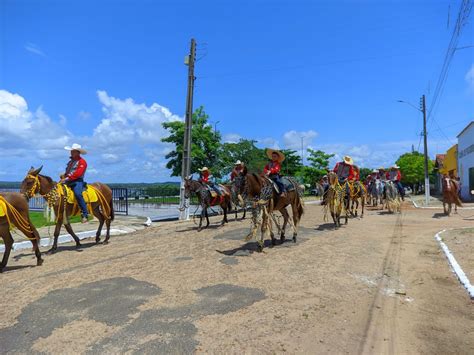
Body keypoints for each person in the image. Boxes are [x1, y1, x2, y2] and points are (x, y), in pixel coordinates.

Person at [60, 143, 89, 223]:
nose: (71, 152)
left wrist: (67, 178)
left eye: (73, 151)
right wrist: (64, 176)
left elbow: (78, 173)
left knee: (78, 194)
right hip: (67, 180)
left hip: (77, 181)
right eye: (71, 151)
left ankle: (85, 214)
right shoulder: (70, 162)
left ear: (78, 152)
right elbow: (68, 172)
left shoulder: (82, 162)